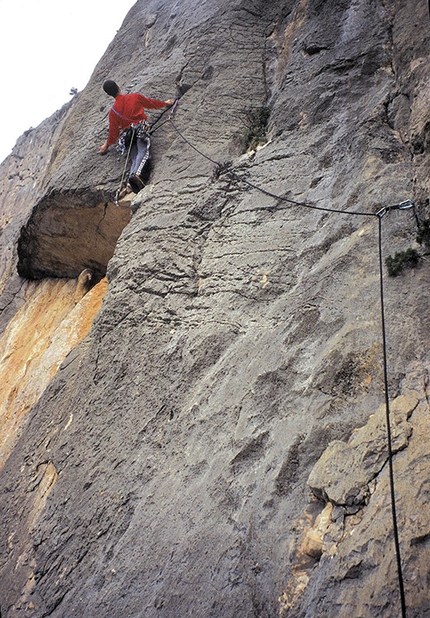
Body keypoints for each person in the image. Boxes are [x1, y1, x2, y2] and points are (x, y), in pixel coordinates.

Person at [99, 80, 174, 193]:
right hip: (140, 129)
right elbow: (151, 104)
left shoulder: (113, 111)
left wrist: (106, 145)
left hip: (127, 137)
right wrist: (166, 103)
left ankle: (131, 184)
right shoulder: (135, 97)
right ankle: (137, 175)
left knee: (134, 158)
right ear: (118, 86)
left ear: (109, 94)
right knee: (143, 151)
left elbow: (114, 133)